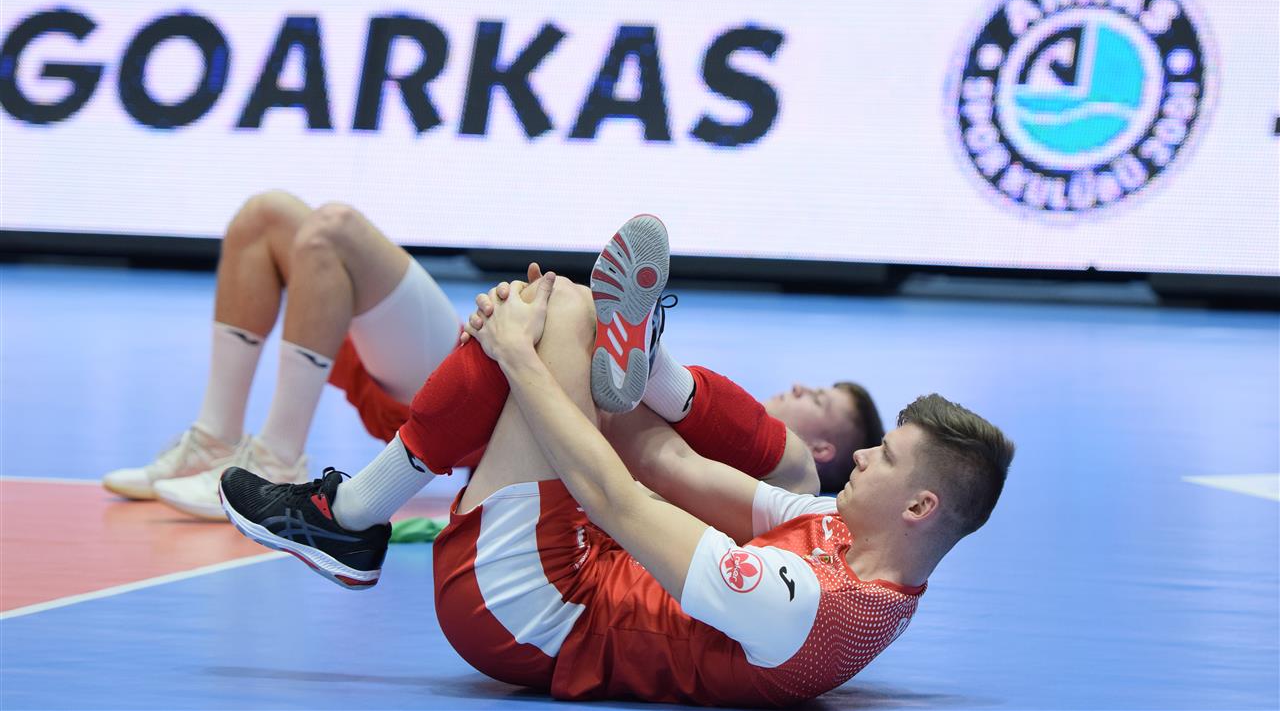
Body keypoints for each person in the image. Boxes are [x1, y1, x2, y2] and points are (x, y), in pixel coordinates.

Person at [219, 215, 1015, 706]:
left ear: (920, 506)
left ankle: (348, 516)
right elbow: (667, 465)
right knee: (558, 307)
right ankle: (644, 359)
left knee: (539, 322)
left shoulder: (808, 601)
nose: (866, 458)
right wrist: (596, 346)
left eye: (886, 455)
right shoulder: (835, 530)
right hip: (575, 572)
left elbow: (614, 497)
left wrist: (518, 355)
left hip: (528, 613)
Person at [103, 193, 880, 519]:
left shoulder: (778, 469)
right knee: (267, 216)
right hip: (484, 372)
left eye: (820, 398)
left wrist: (525, 335)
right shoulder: (729, 426)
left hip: (494, 412)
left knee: (332, 229)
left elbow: (633, 473)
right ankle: (213, 437)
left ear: (826, 445)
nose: (800, 384)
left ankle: (276, 459)